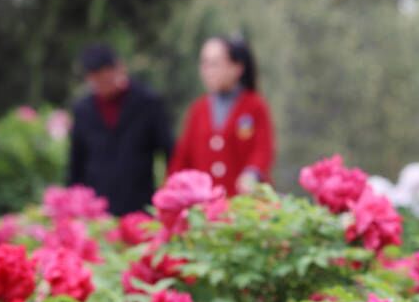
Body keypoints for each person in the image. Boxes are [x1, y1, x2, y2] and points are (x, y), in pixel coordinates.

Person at [68, 43, 174, 215]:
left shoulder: (147, 103)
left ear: (119, 68)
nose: (102, 83)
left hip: (139, 205)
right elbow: (76, 164)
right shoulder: (83, 110)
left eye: (106, 75)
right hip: (96, 210)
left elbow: (169, 152)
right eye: (96, 78)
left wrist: (168, 194)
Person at [169, 36, 274, 196]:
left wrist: (251, 174)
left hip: (245, 205)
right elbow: (183, 157)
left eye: (215, 64)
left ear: (237, 68)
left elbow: (262, 149)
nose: (208, 71)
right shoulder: (198, 110)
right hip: (207, 207)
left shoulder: (254, 105)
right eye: (204, 64)